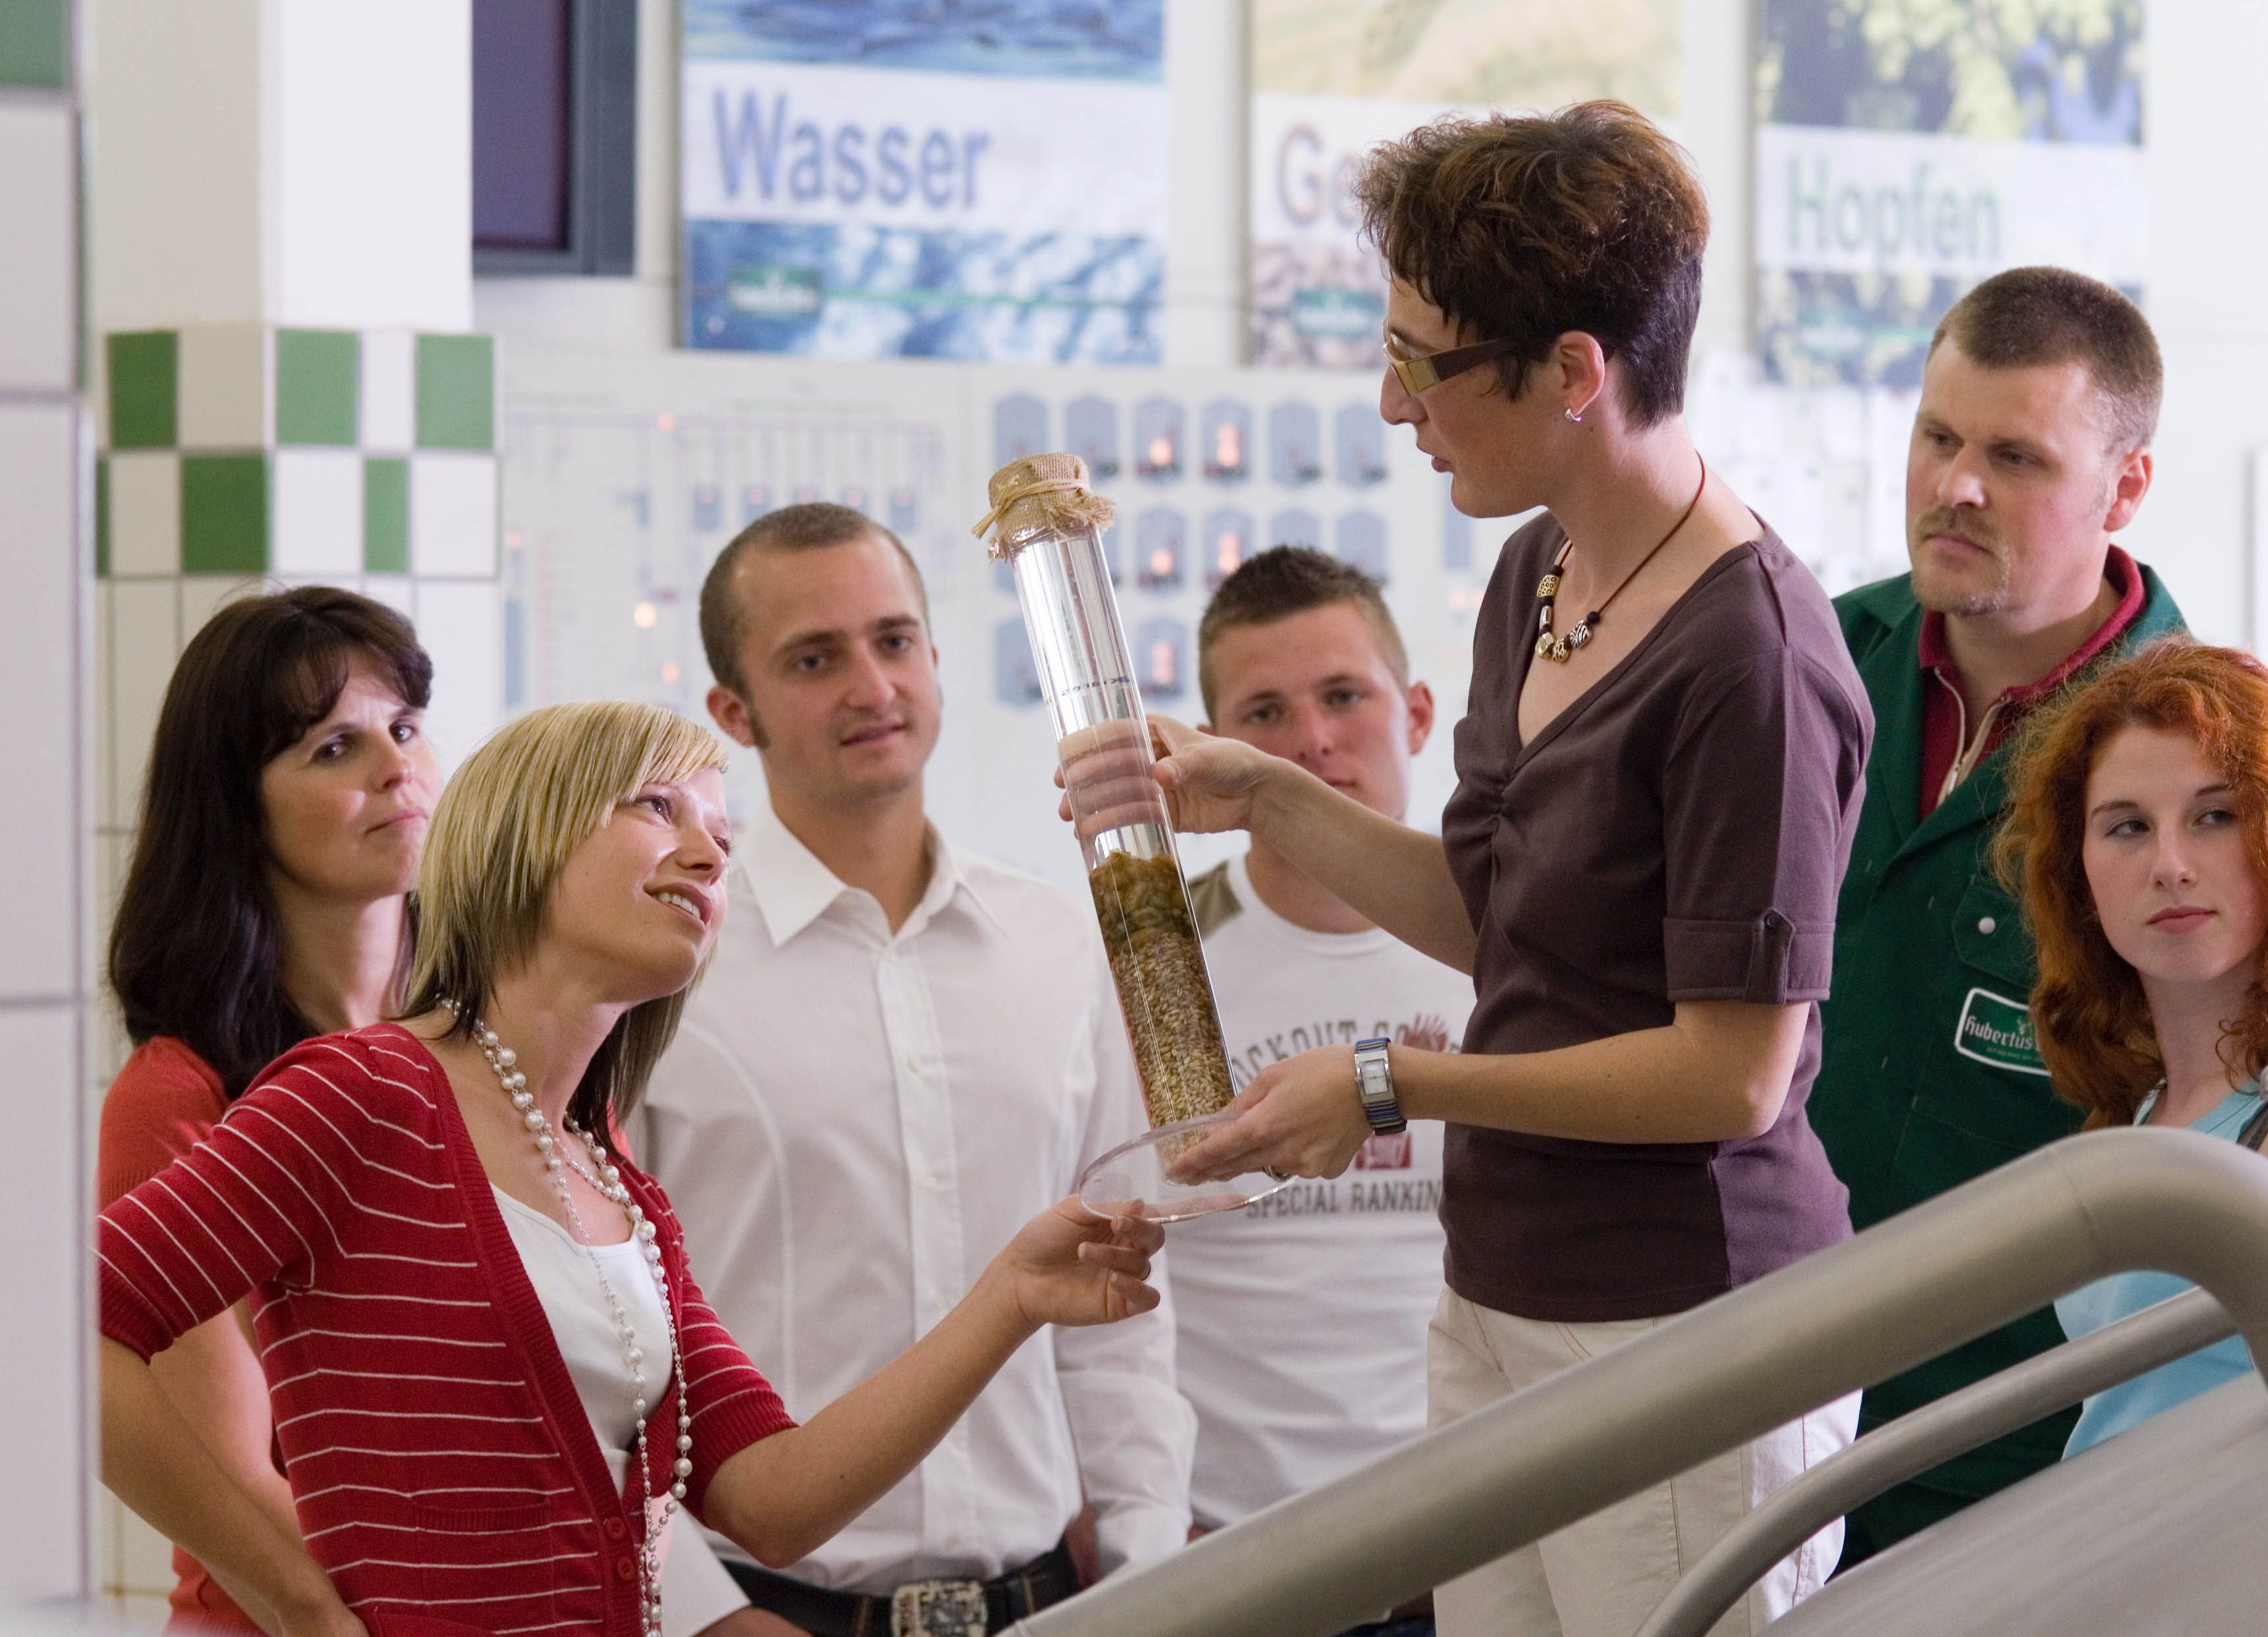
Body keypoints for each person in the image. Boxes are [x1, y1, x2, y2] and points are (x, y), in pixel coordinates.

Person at [1121, 102, 1874, 1637]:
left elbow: (1732, 1072)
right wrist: (1264, 792)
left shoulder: (1753, 661)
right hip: (1502, 1289)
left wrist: (1398, 1084)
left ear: (1576, 372)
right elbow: (1501, 920)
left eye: (1427, 361)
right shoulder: (1538, 573)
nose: (1396, 402)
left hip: (1681, 1322)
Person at [96, 699, 1164, 1637]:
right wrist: (293, 1599)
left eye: (720, 829)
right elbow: (64, 1337)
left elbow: (777, 1500)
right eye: (660, 807)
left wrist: (1012, 1295)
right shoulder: (362, 1092)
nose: (709, 853)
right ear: (527, 832)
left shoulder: (621, 1188)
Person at [634, 503, 1193, 1635]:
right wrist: (700, 1613)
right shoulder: (660, 967)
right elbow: (601, 1347)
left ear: (937, 659)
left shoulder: (1058, 943)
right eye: (813, 657)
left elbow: (1121, 1304)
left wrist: (1146, 1572)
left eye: (893, 641)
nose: (869, 686)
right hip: (768, 1611)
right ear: (730, 713)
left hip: (1050, 1606)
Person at [1803, 266, 2187, 1561]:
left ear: (2123, 486)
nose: (1956, 487)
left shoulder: (2207, 756)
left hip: (2017, 1449)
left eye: (2014, 456)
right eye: (1938, 438)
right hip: (1759, 1399)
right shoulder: (1806, 663)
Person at [99, 588, 442, 1636]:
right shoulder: (181, 1097)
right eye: (335, 748)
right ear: (237, 809)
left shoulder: (498, 1054)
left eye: (406, 727)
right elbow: (230, 1475)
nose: (399, 770)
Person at [1996, 639, 2268, 1450]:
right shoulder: (2148, 1116)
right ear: (2077, 873)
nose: (2170, 865)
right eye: (2125, 827)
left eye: (2214, 817)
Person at [1171, 548, 1475, 1636]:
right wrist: (1129, 1511)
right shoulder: (1154, 965)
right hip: (1229, 1552)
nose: (1309, 742)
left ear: (1418, 712)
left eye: (1344, 695)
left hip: (1475, 1538)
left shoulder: (1509, 947)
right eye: (1263, 712)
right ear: (1212, 750)